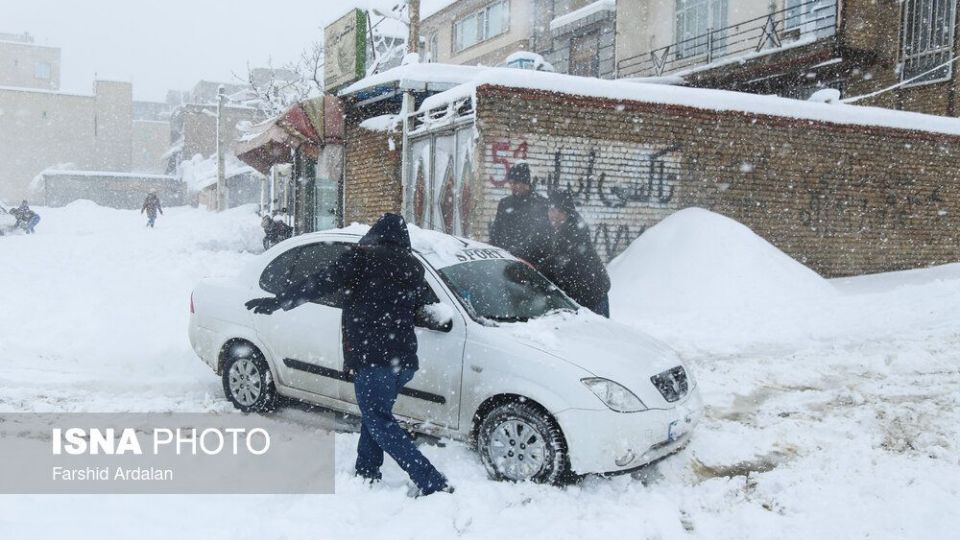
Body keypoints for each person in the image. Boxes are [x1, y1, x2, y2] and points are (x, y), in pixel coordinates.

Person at [244, 213, 453, 497]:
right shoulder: (413, 267)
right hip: (403, 361)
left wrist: (280, 301)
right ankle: (366, 470)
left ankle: (431, 481)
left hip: (373, 359)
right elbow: (421, 307)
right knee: (375, 415)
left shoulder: (361, 259)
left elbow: (320, 282)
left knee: (378, 421)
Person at [541, 190, 611, 318]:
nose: (551, 215)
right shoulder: (561, 227)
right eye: (550, 210)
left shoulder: (573, 231)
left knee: (597, 329)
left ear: (565, 213)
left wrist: (536, 272)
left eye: (555, 211)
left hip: (592, 294)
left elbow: (560, 260)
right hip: (584, 291)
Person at [488, 162, 552, 268]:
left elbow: (541, 237)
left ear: (526, 183)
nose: (512, 186)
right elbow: (496, 232)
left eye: (516, 183)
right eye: (510, 183)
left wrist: (519, 253)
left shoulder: (542, 204)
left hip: (531, 263)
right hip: (505, 260)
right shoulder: (505, 203)